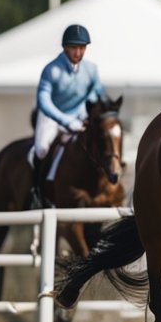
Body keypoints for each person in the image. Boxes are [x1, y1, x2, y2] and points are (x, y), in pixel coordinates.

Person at [30, 23, 107, 207]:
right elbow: (43, 101)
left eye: (82, 48)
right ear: (65, 47)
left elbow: (99, 93)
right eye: (74, 47)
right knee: (41, 148)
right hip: (51, 116)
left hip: (78, 115)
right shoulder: (52, 70)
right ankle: (38, 191)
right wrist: (65, 120)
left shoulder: (91, 69)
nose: (78, 52)